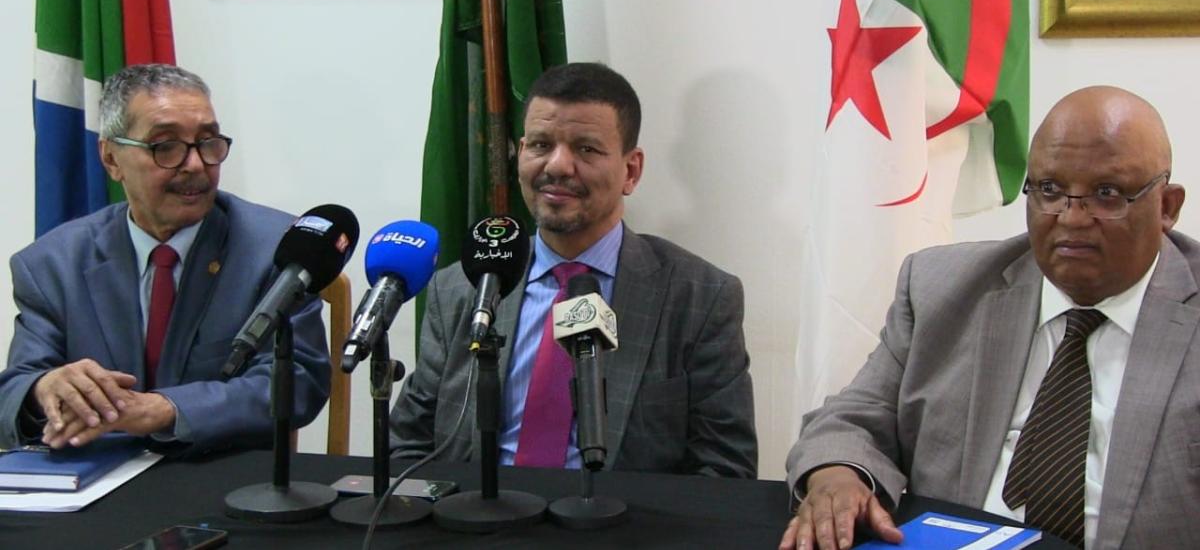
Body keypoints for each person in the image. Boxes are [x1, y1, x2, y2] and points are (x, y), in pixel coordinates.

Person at [780, 85, 1198, 550]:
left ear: (1167, 207)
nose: (1072, 218)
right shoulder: (944, 289)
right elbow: (850, 419)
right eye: (1050, 190)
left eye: (1107, 194)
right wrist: (838, 475)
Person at [390, 62, 757, 478]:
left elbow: (725, 469)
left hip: (622, 516)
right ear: (521, 153)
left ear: (631, 170)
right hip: (476, 511)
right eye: (541, 145)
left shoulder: (700, 298)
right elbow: (408, 445)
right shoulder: (461, 287)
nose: (558, 166)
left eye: (586, 149)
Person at [0, 64, 330, 457]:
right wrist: (43, 388)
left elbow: (298, 380)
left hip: (222, 474)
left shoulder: (279, 250)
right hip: (95, 475)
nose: (195, 164)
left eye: (208, 142)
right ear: (111, 158)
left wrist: (165, 410)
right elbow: (14, 391)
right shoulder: (52, 265)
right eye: (166, 146)